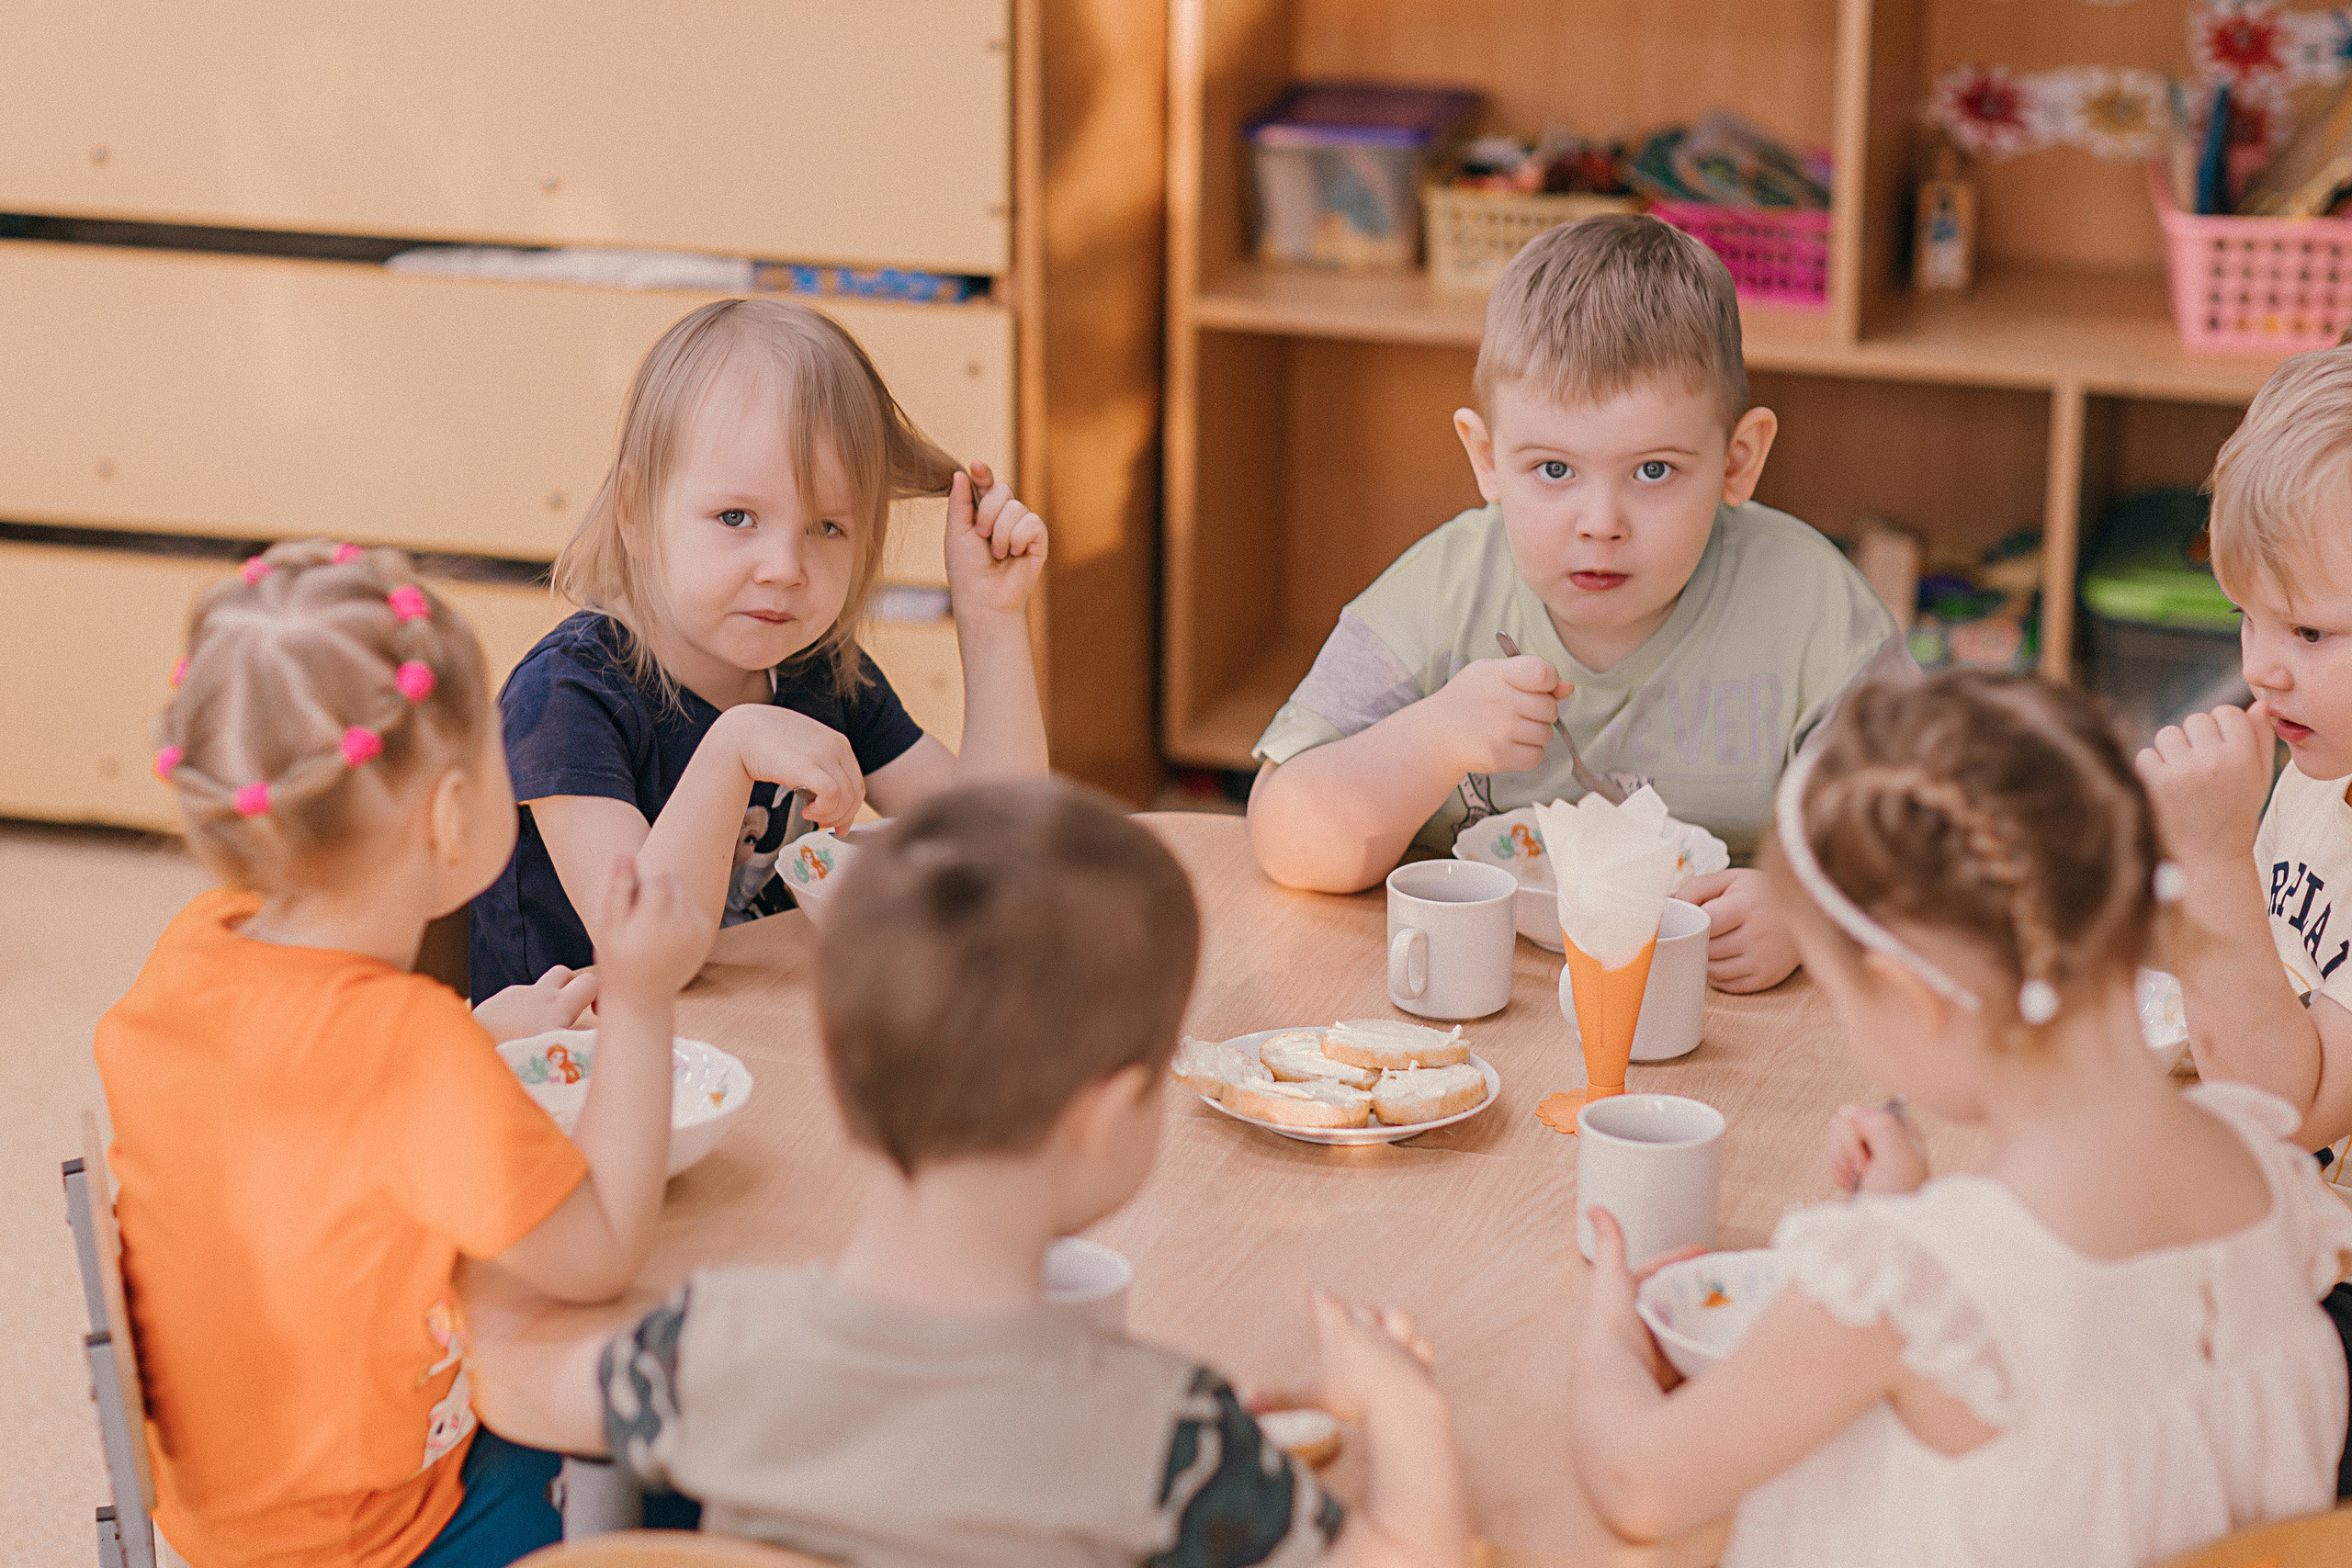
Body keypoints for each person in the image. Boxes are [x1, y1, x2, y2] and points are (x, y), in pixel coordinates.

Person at [550, 780, 1471, 1567]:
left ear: (838, 1072)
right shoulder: (1167, 1435)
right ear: (1107, 1118)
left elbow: (534, 1395)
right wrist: (1400, 1400)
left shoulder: (703, 1343)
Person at [1567, 671, 2352, 1568]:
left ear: (1913, 998)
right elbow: (2096, 1357)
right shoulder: (2267, 1173)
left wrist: (1608, 1334)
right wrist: (1909, 1209)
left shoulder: (1900, 1287)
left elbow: (1638, 1484)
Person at [97, 541, 710, 1568]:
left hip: (227, 1508)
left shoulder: (193, 950)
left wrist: (477, 1039)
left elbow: (307, 1096)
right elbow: (600, 1254)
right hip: (373, 1534)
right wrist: (642, 999)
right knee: (713, 1484)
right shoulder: (411, 1050)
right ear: (451, 813)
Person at [1246, 214, 1910, 993]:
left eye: (1654, 471)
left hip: (1722, 1013)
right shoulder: (1443, 592)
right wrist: (1437, 737)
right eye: (1554, 470)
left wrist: (1810, 909)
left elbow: (1932, 841)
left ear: (1738, 460)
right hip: (1476, 995)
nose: (1601, 523)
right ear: (1487, 458)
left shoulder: (1816, 611)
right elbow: (1285, 838)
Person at [470, 297, 1049, 1000]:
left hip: (750, 1031)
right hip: (589, 1058)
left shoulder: (818, 670)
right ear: (634, 511)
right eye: (736, 517)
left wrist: (990, 619)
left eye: (827, 527)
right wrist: (733, 748)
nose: (786, 567)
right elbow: (646, 957)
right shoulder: (567, 697)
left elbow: (1000, 853)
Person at [2133, 342, 2352, 1497]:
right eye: (2245, 620)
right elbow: (2258, 963)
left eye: (2307, 634)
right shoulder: (2324, 767)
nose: (2259, 669)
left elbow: (2289, 1102)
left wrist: (2212, 857)